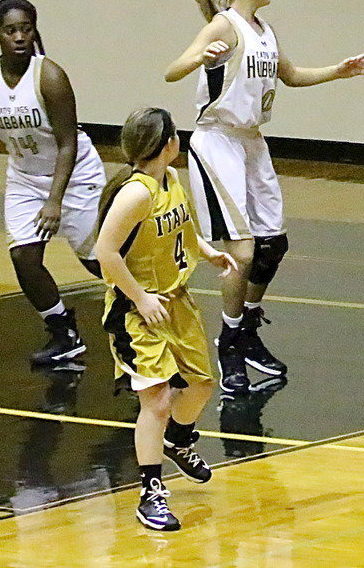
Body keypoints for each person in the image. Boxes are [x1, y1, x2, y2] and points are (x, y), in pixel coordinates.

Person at [165, 0, 364, 394]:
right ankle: (228, 344)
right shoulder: (224, 25)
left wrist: (339, 71)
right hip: (218, 141)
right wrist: (201, 58)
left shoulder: (264, 30)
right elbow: (173, 70)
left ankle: (246, 327)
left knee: (272, 245)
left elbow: (291, 75)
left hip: (251, 142)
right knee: (241, 254)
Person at [94, 106, 237, 531]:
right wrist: (140, 298)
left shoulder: (170, 178)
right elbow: (105, 252)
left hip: (176, 301)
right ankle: (151, 493)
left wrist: (207, 252)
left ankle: (177, 439)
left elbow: (182, 227)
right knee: (156, 401)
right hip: (137, 310)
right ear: (169, 144)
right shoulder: (136, 194)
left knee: (201, 386)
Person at [0, 0, 105, 366]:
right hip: (24, 176)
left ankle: (141, 313)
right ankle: (64, 333)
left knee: (97, 261)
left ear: (34, 31)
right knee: (23, 256)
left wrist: (54, 200)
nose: (19, 37)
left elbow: (67, 144)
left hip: (74, 175)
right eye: (10, 31)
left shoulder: (50, 77)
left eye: (26, 29)